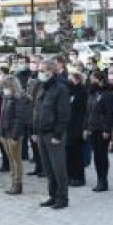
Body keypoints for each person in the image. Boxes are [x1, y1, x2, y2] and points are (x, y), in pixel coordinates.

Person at [35, 61, 71, 208]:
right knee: (48, 168)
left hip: (53, 134)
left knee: (58, 168)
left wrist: (57, 134)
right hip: (41, 132)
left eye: (43, 70)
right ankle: (53, 195)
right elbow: (36, 110)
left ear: (51, 71)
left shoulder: (61, 88)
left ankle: (62, 198)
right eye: (40, 70)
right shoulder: (42, 87)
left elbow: (64, 114)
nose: (40, 73)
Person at [0, 74, 32, 195]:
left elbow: (19, 118)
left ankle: (17, 184)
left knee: (16, 161)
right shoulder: (6, 97)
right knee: (11, 160)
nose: (4, 88)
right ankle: (13, 183)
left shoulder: (19, 98)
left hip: (13, 134)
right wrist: (1, 134)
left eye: (6, 85)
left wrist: (15, 136)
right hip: (5, 133)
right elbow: (2, 117)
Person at [85, 70, 113, 193]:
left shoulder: (107, 94)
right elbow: (88, 112)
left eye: (93, 79)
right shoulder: (92, 94)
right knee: (97, 156)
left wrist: (107, 129)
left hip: (102, 130)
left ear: (100, 80)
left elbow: (110, 113)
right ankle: (99, 179)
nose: (91, 81)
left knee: (102, 156)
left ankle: (103, 181)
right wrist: (87, 127)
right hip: (93, 129)